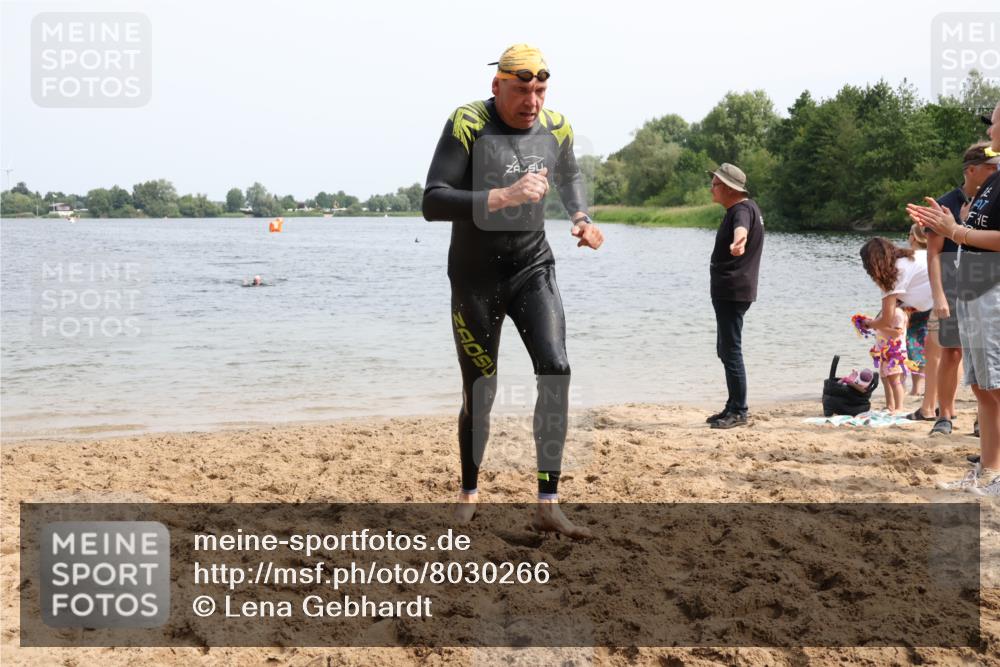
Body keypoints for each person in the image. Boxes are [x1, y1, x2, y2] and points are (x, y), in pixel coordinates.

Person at [422, 44, 604, 536]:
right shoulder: (468, 123)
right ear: (496, 86)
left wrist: (582, 218)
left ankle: (548, 502)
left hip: (531, 267)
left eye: (540, 90)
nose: (532, 101)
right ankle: (469, 490)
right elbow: (433, 200)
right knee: (481, 389)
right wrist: (505, 195)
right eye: (522, 90)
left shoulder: (557, 128)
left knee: (556, 368)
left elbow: (569, 175)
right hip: (475, 276)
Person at [909, 100, 1000, 495]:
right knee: (982, 387)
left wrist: (957, 232)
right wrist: (944, 225)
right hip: (974, 287)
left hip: (993, 289)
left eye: (994, 124)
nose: (990, 132)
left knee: (996, 387)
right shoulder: (995, 180)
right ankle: (988, 474)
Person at [924, 142, 1000, 435]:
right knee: (952, 353)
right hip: (955, 286)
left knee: (986, 356)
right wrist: (939, 296)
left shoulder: (992, 198)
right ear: (971, 170)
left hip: (986, 284)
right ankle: (944, 416)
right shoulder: (948, 202)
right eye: (990, 167)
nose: (995, 172)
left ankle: (984, 424)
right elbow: (932, 254)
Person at [705, 163, 764, 429]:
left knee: (731, 351)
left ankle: (739, 410)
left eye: (715, 184)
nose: (711, 188)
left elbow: (741, 229)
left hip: (732, 291)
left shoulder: (740, 210)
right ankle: (732, 405)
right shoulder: (746, 208)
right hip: (734, 290)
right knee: (725, 349)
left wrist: (739, 240)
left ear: (729, 188)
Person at [858, 237, 935, 415]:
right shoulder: (912, 257)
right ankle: (940, 408)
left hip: (948, 299)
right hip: (954, 287)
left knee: (939, 357)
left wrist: (869, 324)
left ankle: (926, 408)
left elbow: (886, 319)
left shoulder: (894, 273)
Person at [905, 225, 931, 399]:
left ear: (914, 237)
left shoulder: (909, 258)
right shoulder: (933, 255)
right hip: (931, 304)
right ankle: (922, 386)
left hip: (912, 306)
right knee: (924, 343)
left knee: (911, 344)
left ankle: (915, 387)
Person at [869, 303, 909, 413]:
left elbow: (897, 332)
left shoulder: (897, 312)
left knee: (895, 380)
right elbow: (880, 327)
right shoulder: (886, 312)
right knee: (885, 379)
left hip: (895, 352)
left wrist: (877, 325)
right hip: (883, 351)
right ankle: (890, 406)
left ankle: (899, 407)